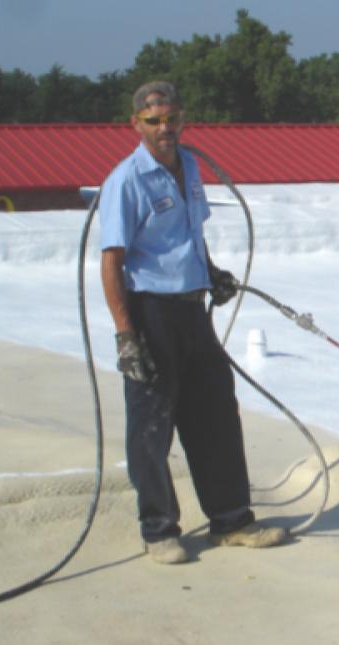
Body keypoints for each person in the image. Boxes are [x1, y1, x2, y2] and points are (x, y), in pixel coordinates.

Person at [99, 81, 287, 564]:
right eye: (154, 120)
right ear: (135, 124)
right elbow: (113, 261)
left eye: (173, 118)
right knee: (153, 425)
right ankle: (159, 530)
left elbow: (189, 235)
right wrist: (126, 335)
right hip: (151, 312)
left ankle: (230, 521)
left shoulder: (190, 165)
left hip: (191, 309)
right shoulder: (127, 179)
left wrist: (212, 273)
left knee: (215, 414)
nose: (166, 127)